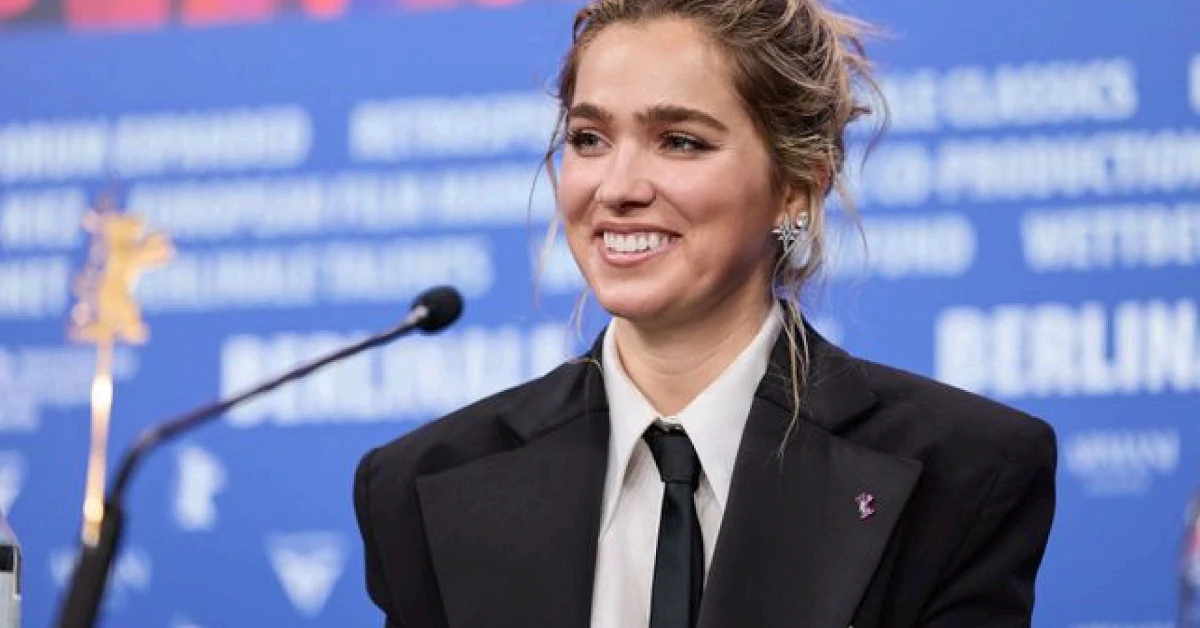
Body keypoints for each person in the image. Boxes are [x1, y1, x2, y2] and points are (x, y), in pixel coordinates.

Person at [352, 0, 1057, 626]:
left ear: (796, 190)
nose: (618, 187)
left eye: (680, 141)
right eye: (589, 138)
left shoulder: (964, 473)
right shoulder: (421, 486)